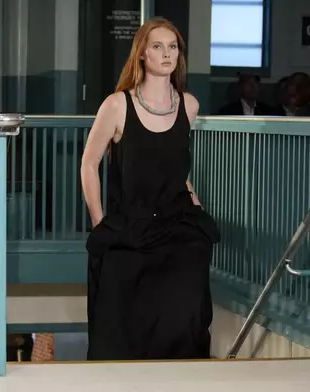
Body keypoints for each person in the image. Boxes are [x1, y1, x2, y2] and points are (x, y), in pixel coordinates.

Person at [80, 17, 220, 361]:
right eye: (157, 46)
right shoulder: (116, 105)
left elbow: (173, 163)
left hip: (178, 222)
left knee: (183, 310)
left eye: (172, 47)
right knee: (123, 313)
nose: (166, 53)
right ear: (142, 53)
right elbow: (88, 165)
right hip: (132, 225)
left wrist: (192, 195)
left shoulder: (189, 105)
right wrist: (99, 221)